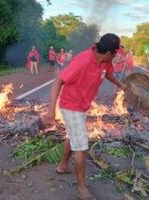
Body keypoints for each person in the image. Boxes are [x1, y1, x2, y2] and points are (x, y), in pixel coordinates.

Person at [47, 33, 126, 200]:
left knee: (73, 135)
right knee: (81, 147)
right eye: (115, 53)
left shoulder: (105, 62)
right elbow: (58, 82)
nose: (116, 55)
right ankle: (81, 188)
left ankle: (62, 166)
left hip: (82, 106)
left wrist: (123, 86)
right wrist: (50, 111)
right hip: (71, 105)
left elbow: (110, 74)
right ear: (109, 53)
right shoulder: (82, 61)